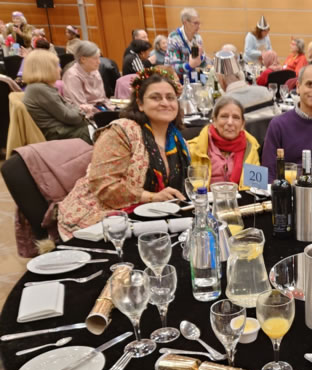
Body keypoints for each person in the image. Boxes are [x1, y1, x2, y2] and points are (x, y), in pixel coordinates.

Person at [57, 68, 190, 240]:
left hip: (151, 218)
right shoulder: (121, 132)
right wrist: (152, 197)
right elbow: (104, 186)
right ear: (140, 104)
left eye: (170, 97)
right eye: (155, 97)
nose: (165, 103)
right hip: (102, 218)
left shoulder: (178, 141)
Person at [188, 97, 260, 188]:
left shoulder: (251, 148)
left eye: (236, 117)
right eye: (224, 116)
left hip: (242, 200)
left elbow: (257, 187)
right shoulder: (194, 148)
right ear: (214, 121)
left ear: (242, 124)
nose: (230, 122)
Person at [22, 49, 91, 143]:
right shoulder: (40, 89)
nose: (60, 69)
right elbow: (70, 117)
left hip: (63, 131)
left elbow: (68, 107)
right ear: (46, 69)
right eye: (56, 66)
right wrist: (81, 111)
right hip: (61, 135)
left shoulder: (39, 87)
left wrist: (77, 110)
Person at [216, 50, 274, 117]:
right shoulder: (265, 91)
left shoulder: (224, 103)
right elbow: (278, 118)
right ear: (240, 74)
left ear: (221, 79)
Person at [62, 40, 112, 117]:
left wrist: (112, 109)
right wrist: (104, 112)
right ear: (83, 59)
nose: (99, 62)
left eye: (99, 58)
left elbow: (103, 98)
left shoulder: (94, 71)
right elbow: (81, 106)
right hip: (85, 116)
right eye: (95, 58)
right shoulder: (72, 76)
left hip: (100, 110)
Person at [168, 8, 206, 81]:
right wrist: (189, 66)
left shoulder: (197, 38)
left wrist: (201, 59)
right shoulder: (174, 37)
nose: (199, 26)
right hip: (177, 81)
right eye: (195, 23)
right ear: (185, 23)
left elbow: (201, 62)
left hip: (194, 79)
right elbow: (173, 67)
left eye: (199, 23)